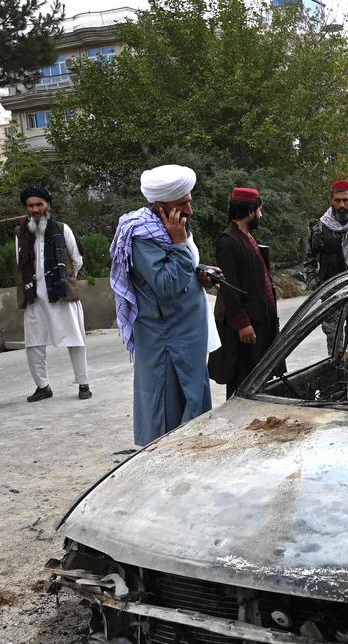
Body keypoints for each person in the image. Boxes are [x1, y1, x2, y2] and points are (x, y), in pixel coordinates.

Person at [110, 165, 219, 445]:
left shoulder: (170, 230)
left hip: (186, 338)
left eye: (189, 202)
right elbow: (167, 284)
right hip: (167, 341)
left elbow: (182, 272)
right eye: (182, 204)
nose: (190, 210)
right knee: (168, 411)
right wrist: (180, 245)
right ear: (161, 206)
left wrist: (201, 274)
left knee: (193, 401)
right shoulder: (143, 237)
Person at [15, 186, 91, 402]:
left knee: (75, 339)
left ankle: (83, 383)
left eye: (39, 204)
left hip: (61, 294)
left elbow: (76, 260)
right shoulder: (21, 234)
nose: (35, 209)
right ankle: (43, 386)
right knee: (33, 343)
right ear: (26, 208)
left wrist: (62, 280)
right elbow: (20, 264)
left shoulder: (62, 228)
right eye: (31, 205)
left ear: (47, 205)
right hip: (34, 297)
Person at [208, 187, 285, 398]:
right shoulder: (228, 242)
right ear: (250, 211)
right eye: (259, 210)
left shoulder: (246, 237)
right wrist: (242, 323)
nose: (261, 215)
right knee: (242, 384)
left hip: (260, 323)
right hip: (245, 330)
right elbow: (230, 289)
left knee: (260, 380)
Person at [305, 180, 348, 355]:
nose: (342, 205)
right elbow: (309, 261)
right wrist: (316, 285)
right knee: (335, 342)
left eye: (345, 200)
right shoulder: (320, 228)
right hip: (331, 292)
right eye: (338, 201)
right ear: (331, 201)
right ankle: (336, 376)